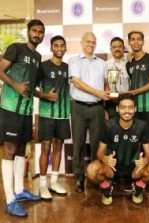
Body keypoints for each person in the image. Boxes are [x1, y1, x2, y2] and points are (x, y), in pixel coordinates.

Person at [0, 19, 45, 217]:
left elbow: (32, 88)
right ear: (28, 32)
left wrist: (45, 96)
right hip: (10, 108)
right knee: (9, 151)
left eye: (40, 32)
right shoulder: (16, 48)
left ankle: (19, 191)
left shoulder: (37, 56)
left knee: (20, 149)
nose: (37, 34)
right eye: (34, 31)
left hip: (26, 111)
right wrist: (16, 86)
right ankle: (10, 200)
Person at [86, 93, 149, 205]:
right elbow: (100, 152)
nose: (127, 111)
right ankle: (106, 188)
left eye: (130, 107)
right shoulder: (109, 125)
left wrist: (145, 160)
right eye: (123, 107)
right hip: (112, 168)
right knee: (91, 170)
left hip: (134, 168)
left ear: (135, 109)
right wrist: (105, 158)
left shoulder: (142, 126)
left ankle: (138, 187)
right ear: (117, 109)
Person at [69, 32, 110, 193]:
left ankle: (95, 175)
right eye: (88, 41)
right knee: (78, 143)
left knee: (96, 145)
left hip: (98, 108)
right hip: (78, 106)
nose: (91, 44)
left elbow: (106, 83)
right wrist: (98, 93)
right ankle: (79, 177)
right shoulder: (74, 60)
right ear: (81, 42)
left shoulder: (102, 63)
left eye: (93, 42)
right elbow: (77, 83)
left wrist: (106, 93)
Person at [34, 35, 70, 200]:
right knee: (46, 148)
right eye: (56, 45)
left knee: (58, 147)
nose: (59, 48)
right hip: (47, 114)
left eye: (62, 46)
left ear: (65, 48)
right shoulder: (42, 66)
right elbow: (32, 89)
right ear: (51, 48)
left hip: (63, 115)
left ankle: (54, 182)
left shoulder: (68, 67)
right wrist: (46, 96)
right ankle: (42, 184)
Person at [126, 30, 149, 194]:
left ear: (142, 41)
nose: (135, 42)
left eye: (138, 39)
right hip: (135, 112)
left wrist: (133, 93)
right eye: (132, 40)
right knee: (137, 146)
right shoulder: (129, 63)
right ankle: (138, 178)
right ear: (129, 43)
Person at [105, 37, 130, 119]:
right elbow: (104, 84)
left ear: (123, 48)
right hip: (112, 103)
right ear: (110, 49)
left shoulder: (130, 63)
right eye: (114, 47)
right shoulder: (105, 65)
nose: (117, 49)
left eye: (120, 46)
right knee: (113, 129)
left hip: (128, 102)